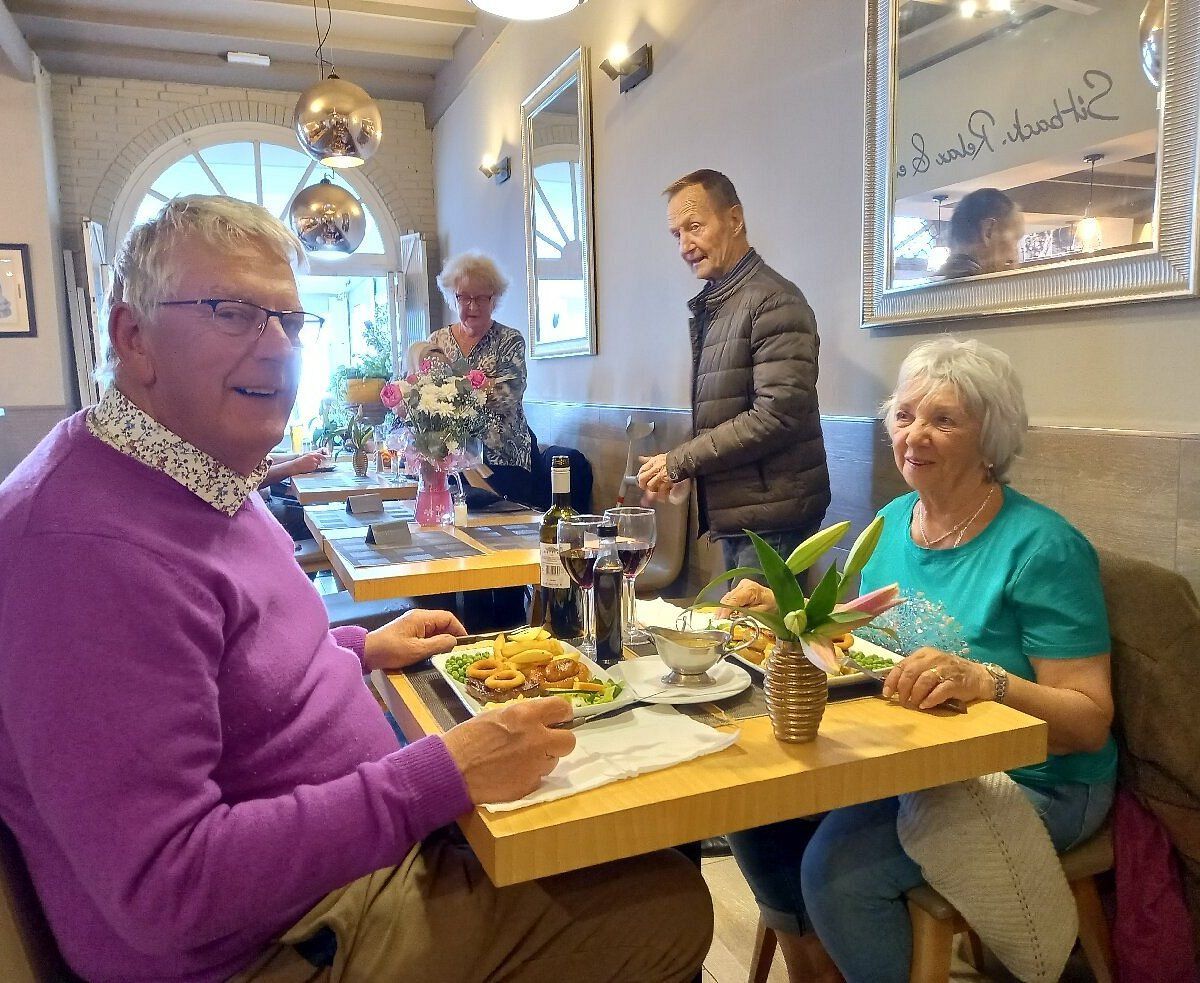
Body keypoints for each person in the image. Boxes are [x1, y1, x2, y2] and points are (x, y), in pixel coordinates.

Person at [0, 195, 712, 983]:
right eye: (234, 311)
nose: (278, 350)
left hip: (335, 876)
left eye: (292, 322)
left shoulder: (199, 472)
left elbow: (217, 667)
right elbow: (165, 886)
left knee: (629, 819)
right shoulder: (80, 550)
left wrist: (355, 646)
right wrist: (439, 778)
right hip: (275, 944)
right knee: (669, 903)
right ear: (132, 335)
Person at [720, 337, 1116, 983]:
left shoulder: (1043, 546)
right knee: (747, 803)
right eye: (904, 416)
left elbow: (1088, 721)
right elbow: (859, 644)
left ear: (991, 435)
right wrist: (784, 608)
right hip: (919, 757)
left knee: (837, 872)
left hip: (1039, 779)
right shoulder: (895, 519)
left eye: (943, 419)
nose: (915, 435)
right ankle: (817, 966)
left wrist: (986, 680)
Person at [637, 169, 830, 574]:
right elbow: (725, 415)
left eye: (694, 227)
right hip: (749, 513)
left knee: (756, 637)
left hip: (773, 518)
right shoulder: (724, 301)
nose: (685, 246)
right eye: (676, 234)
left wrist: (679, 461)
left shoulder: (774, 301)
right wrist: (680, 466)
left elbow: (777, 416)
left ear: (735, 219)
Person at [428, 250, 534, 507]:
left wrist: (453, 390)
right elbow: (429, 398)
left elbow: (507, 394)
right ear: (453, 298)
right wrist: (479, 384)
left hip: (504, 460)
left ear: (494, 299)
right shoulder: (437, 342)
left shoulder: (509, 340)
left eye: (481, 298)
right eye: (464, 297)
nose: (472, 306)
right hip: (450, 459)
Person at [940, 187, 1024, 278]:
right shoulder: (988, 288)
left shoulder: (932, 287)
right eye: (1015, 238)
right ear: (988, 231)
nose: (1016, 253)